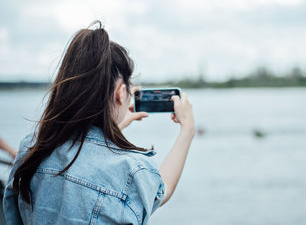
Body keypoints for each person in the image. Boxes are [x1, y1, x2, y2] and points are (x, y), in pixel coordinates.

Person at [2, 21, 196, 224]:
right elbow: (162, 190)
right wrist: (187, 129)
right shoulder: (132, 171)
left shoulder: (32, 148)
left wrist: (113, 130)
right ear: (120, 94)